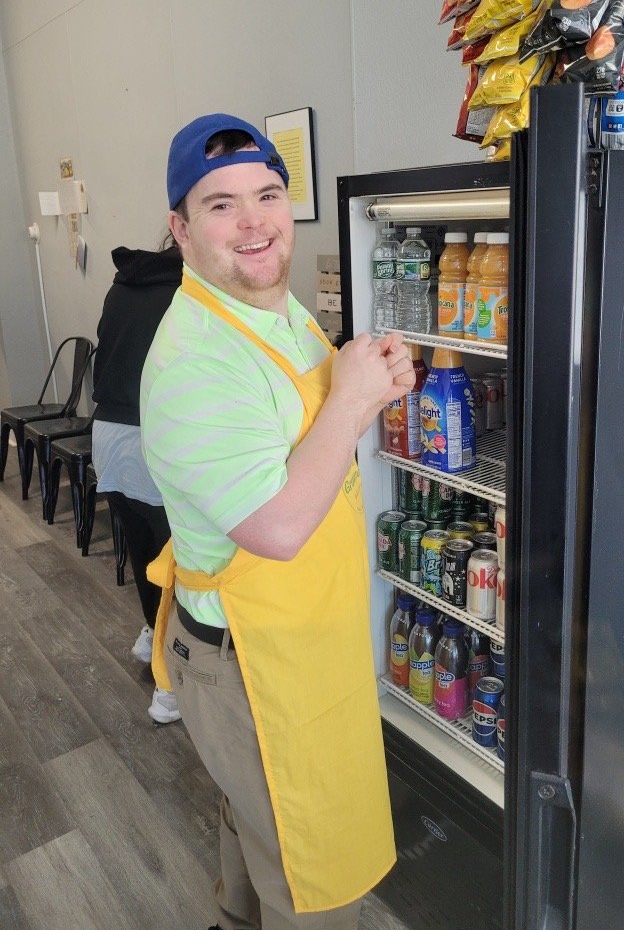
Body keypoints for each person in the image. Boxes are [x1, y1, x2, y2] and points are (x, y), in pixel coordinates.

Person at [140, 113, 414, 930]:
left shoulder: (268, 307)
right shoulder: (195, 361)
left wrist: (370, 378)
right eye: (220, 205)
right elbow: (279, 527)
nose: (254, 221)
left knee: (252, 821)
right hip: (248, 665)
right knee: (309, 874)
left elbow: (305, 431)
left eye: (266, 194)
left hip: (294, 640)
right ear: (180, 230)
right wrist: (357, 399)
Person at [91, 242, 183, 723]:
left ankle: (151, 633)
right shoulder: (190, 293)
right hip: (154, 437)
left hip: (108, 433)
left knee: (144, 548)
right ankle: (169, 688)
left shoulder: (122, 285)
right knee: (177, 564)